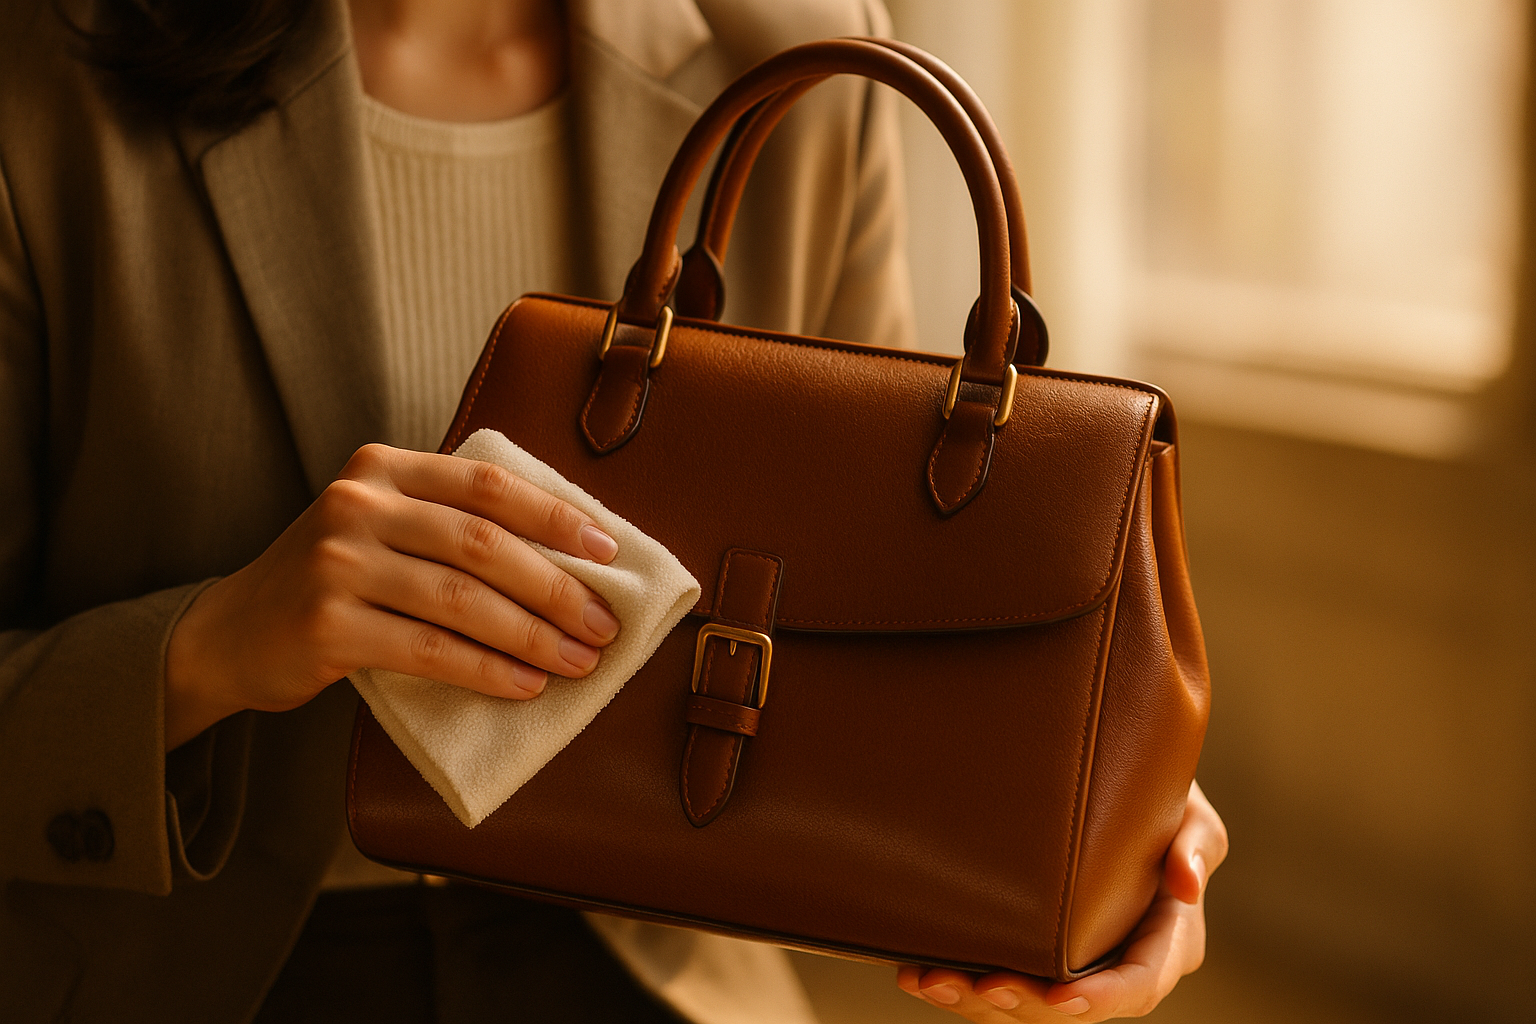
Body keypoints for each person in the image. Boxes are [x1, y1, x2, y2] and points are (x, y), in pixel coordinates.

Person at [0, 0, 1228, 1021]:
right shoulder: (47, 79)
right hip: (187, 969)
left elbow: (891, 561)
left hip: (660, 969)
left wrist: (1123, 819)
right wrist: (210, 645)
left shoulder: (801, 55)